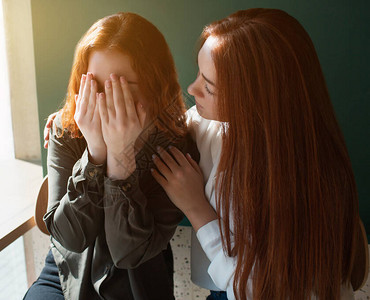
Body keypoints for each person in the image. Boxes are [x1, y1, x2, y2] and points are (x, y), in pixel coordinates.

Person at [151, 8, 359, 300]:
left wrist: (195, 207)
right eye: (200, 73)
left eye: (208, 87)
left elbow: (257, 291)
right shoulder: (210, 125)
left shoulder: (304, 180)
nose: (191, 88)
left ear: (254, 101)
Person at [24, 12, 198, 300]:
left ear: (154, 85)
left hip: (138, 282)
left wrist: (121, 158)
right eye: (96, 86)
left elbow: (129, 253)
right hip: (67, 274)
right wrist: (94, 154)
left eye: (120, 87)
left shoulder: (175, 146)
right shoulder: (66, 129)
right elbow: (70, 238)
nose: (104, 100)